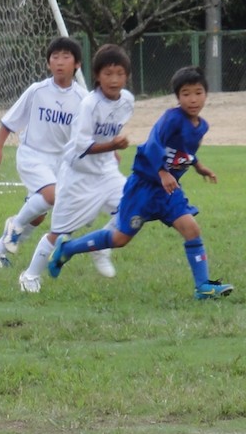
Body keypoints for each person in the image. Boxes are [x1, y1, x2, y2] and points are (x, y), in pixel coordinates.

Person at [46, 65, 233, 301]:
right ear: (177, 97)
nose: (192, 99)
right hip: (144, 187)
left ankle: (203, 286)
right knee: (119, 239)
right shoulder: (171, 118)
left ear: (206, 94)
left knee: (191, 229)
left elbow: (182, 151)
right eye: (186, 94)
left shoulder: (201, 126)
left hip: (168, 191)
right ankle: (67, 249)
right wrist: (162, 172)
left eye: (198, 93)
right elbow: (153, 144)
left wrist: (197, 165)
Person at [17, 44, 134, 293]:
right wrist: (112, 144)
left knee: (132, 208)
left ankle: (101, 246)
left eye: (120, 74)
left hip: (106, 172)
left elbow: (109, 128)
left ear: (127, 76)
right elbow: (81, 146)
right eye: (108, 74)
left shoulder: (127, 101)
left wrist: (111, 150)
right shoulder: (89, 104)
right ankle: (29, 275)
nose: (114, 80)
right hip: (78, 175)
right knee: (60, 231)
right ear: (97, 76)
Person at [0, 37, 102, 272]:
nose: (59, 62)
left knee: (37, 216)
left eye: (66, 57)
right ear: (48, 63)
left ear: (76, 64)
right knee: (51, 195)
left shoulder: (83, 99)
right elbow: (10, 121)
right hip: (32, 155)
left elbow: (87, 136)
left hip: (60, 163)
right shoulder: (37, 91)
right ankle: (13, 227)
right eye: (54, 57)